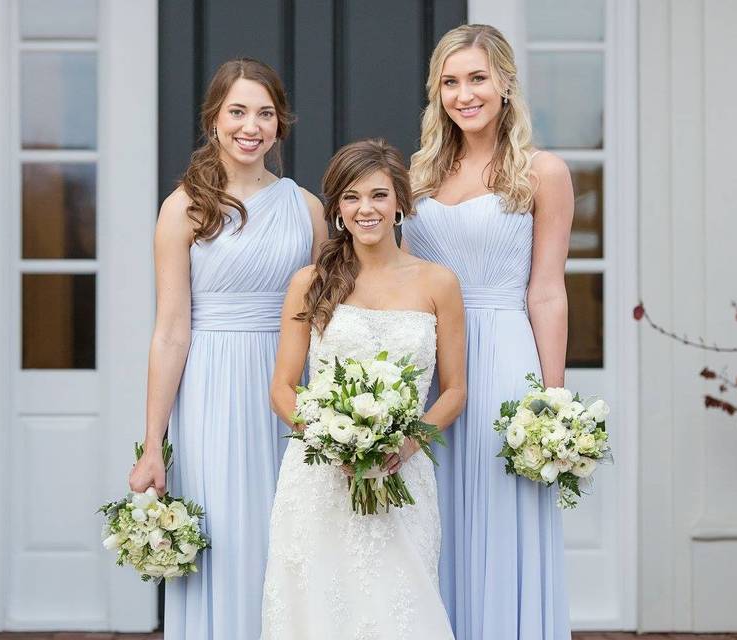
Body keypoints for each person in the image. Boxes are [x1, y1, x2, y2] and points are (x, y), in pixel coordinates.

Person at [128, 58, 327, 639]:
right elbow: (170, 331)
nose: (251, 125)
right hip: (213, 387)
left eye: (265, 113)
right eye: (237, 111)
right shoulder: (184, 207)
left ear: (279, 124)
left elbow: (330, 313)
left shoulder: (306, 207)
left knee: (289, 535)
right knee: (228, 535)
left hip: (290, 386)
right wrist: (152, 445)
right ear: (213, 119)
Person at [403, 24, 575, 640]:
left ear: (504, 83)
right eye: (450, 82)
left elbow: (548, 289)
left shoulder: (541, 172)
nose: (464, 94)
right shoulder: (418, 175)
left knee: (504, 517)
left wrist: (553, 399)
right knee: (432, 521)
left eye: (477, 78)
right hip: (430, 368)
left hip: (503, 355)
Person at [261, 139, 466, 639]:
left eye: (378, 195)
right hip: (320, 477)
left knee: (402, 605)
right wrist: (334, 441)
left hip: (403, 472)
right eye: (351, 197)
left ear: (400, 203)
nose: (365, 209)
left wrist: (404, 443)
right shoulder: (310, 282)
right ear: (336, 210)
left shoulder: (439, 283)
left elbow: (455, 389)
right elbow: (283, 389)